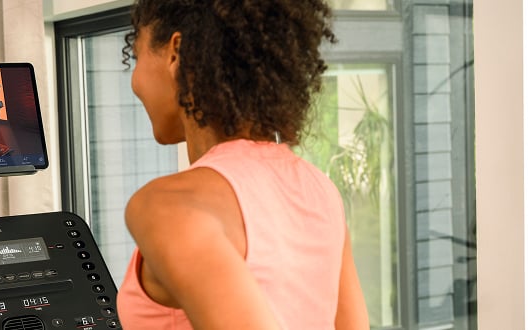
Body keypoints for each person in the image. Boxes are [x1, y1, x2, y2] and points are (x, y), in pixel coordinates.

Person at [115, 1, 369, 329]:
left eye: (137, 56)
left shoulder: (168, 206)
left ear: (176, 53)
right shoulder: (321, 191)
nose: (135, 80)